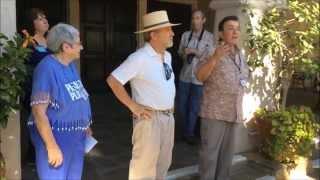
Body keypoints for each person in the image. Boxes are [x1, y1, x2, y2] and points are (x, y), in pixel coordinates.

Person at [107, 10, 180, 180]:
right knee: (143, 170)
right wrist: (133, 106)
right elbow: (113, 81)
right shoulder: (139, 58)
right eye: (168, 30)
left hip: (168, 118)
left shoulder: (167, 56)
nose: (172, 33)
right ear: (153, 34)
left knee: (163, 164)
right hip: (149, 120)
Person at [28, 23, 92, 180]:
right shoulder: (46, 68)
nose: (81, 47)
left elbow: (77, 96)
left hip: (76, 137)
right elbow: (38, 112)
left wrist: (85, 125)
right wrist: (51, 146)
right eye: (78, 43)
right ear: (66, 47)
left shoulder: (70, 66)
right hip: (56, 138)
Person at [196, 16, 249, 180]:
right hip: (214, 114)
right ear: (221, 33)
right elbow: (200, 76)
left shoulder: (240, 54)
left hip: (233, 113)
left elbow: (243, 79)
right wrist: (215, 58)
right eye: (230, 28)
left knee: (226, 158)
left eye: (237, 28)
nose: (235, 32)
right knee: (209, 157)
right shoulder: (211, 50)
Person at [177, 10, 214, 144]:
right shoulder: (186, 35)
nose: (195, 21)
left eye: (198, 18)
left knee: (194, 107)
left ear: (203, 20)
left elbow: (210, 57)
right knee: (181, 106)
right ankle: (184, 129)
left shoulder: (209, 37)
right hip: (185, 75)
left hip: (199, 78)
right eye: (193, 18)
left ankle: (189, 133)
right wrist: (184, 54)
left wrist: (194, 51)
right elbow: (180, 52)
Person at [20, 8, 51, 165]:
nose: (44, 20)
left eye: (45, 17)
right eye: (39, 18)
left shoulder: (52, 42)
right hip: (34, 90)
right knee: (36, 121)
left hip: (50, 90)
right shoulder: (28, 42)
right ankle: (34, 157)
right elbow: (20, 64)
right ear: (32, 24)